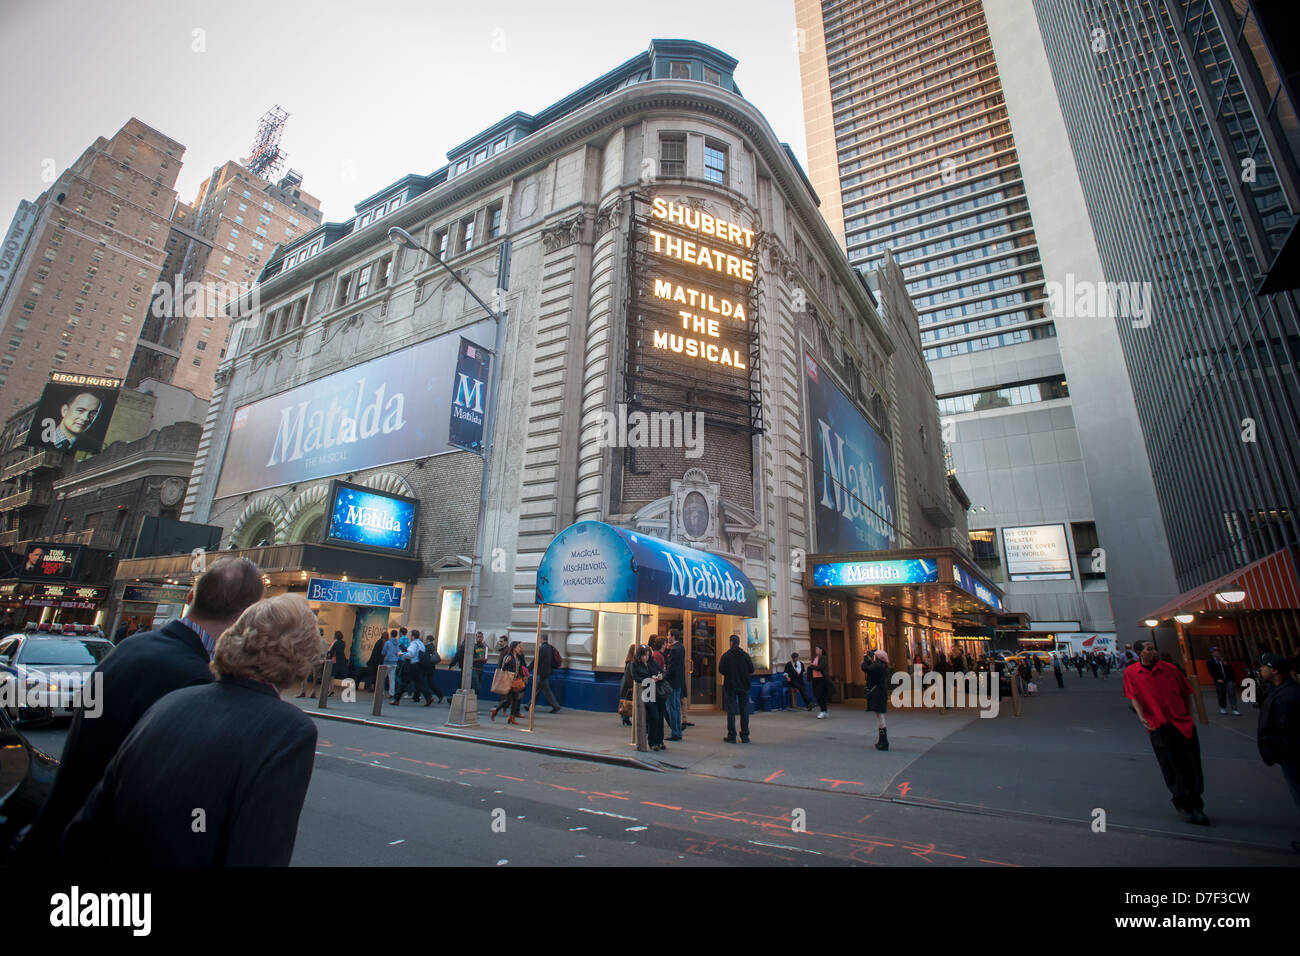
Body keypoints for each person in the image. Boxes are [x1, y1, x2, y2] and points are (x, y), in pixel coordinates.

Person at [17, 557, 265, 860]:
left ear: (190, 597)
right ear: (247, 616)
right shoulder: (194, 679)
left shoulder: (130, 647)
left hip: (60, 833)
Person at [62, 593, 319, 866]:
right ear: (303, 658)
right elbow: (258, 851)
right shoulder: (289, 730)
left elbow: (85, 828)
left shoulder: (171, 701)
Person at [1124, 640, 1208, 825]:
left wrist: (1190, 716)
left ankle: (1196, 804)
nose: (1154, 652)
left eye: (1154, 648)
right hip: (1158, 725)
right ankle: (1182, 803)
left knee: (1191, 764)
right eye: (1149, 649)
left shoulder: (1170, 669)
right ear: (1139, 653)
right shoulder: (1132, 673)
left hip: (1182, 724)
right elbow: (1133, 696)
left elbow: (1186, 692)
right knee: (1170, 765)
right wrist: (1141, 716)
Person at [1255, 653, 1300, 853]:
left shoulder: (1287, 696)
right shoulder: (1281, 690)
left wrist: (1280, 752)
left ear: (1274, 671)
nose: (1260, 670)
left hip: (1293, 756)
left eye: (1263, 667)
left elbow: (1289, 730)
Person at [718, 634, 754, 744]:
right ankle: (745, 735)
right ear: (738, 643)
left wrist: (730, 674)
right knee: (744, 711)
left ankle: (732, 735)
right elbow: (751, 669)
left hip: (731, 686)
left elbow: (721, 669)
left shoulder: (726, 656)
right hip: (744, 686)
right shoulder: (745, 656)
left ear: (731, 643)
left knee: (731, 711)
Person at [631, 644, 668, 750]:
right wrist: (649, 678)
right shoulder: (635, 664)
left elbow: (662, 671)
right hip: (648, 691)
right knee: (654, 716)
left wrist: (660, 676)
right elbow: (636, 677)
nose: (646, 657)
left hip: (658, 691)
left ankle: (660, 740)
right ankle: (652, 742)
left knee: (660, 716)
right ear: (639, 655)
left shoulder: (652, 662)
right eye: (644, 655)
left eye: (647, 655)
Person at [490, 641, 526, 724]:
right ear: (514, 648)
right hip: (509, 681)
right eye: (518, 647)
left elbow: (519, 667)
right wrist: (505, 663)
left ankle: (511, 717)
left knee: (515, 699)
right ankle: (495, 710)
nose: (519, 648)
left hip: (516, 680)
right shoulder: (508, 656)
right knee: (508, 700)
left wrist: (522, 676)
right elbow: (503, 669)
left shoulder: (517, 657)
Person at [862, 649, 890, 750]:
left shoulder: (877, 666)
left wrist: (865, 659)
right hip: (880, 694)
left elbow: (865, 668)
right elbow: (870, 669)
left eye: (875, 656)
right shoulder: (882, 666)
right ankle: (882, 741)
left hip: (878, 694)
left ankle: (884, 742)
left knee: (881, 717)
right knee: (880, 717)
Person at [663, 631, 685, 740]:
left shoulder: (675, 650)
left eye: (668, 635)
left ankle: (675, 733)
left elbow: (671, 667)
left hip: (672, 683)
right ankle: (678, 732)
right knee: (676, 707)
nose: (667, 637)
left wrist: (663, 676)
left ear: (673, 636)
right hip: (678, 682)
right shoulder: (681, 647)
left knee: (672, 708)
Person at [531, 635, 562, 713]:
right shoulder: (550, 648)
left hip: (542, 673)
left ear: (542, 639)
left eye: (540, 639)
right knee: (537, 689)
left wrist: (528, 669)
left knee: (546, 690)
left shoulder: (542, 648)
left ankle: (556, 706)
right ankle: (530, 705)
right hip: (547, 671)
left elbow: (537, 660)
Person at [1207, 647, 1240, 716]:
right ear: (1212, 653)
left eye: (1218, 651)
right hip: (1219, 680)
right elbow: (1211, 671)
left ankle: (1234, 708)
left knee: (1232, 693)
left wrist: (1233, 679)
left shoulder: (1224, 659)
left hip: (1228, 679)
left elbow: (1230, 669)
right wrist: (1217, 679)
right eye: (1215, 651)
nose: (1217, 652)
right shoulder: (1210, 661)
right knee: (1221, 694)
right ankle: (1222, 707)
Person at [415, 630, 444, 704]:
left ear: (428, 640)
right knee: (429, 683)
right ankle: (439, 694)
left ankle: (417, 696)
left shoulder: (427, 647)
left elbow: (424, 657)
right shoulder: (433, 647)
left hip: (426, 668)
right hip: (431, 668)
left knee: (421, 681)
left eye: (426, 639)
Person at [618, 643, 636, 727]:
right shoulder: (632, 662)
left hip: (625, 683)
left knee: (626, 699)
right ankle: (625, 717)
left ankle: (624, 717)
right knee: (628, 700)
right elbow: (633, 674)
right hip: (629, 684)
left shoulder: (628, 660)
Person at [811, 644, 831, 719]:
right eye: (815, 649)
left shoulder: (823, 658)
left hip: (821, 679)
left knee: (820, 695)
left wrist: (812, 666)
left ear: (821, 650)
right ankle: (824, 711)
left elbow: (820, 667)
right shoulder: (815, 657)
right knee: (818, 695)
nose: (816, 650)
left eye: (817, 649)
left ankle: (823, 711)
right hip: (815, 679)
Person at [382, 628, 402, 697]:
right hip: (394, 662)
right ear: (396, 635)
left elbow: (383, 652)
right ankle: (391, 693)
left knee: (382, 678)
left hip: (387, 661)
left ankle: (381, 692)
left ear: (391, 635)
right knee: (392, 679)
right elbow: (398, 652)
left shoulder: (387, 643)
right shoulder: (397, 643)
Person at [328, 630, 347, 695]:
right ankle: (330, 689)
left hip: (335, 660)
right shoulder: (343, 643)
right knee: (332, 675)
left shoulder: (335, 642)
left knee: (331, 675)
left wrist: (329, 655)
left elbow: (331, 651)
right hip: (341, 660)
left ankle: (331, 689)